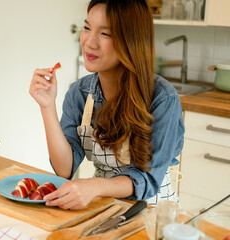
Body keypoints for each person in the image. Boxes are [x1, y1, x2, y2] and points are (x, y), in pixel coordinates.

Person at [29, 0, 184, 210]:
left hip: (153, 210)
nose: (89, 42)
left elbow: (148, 180)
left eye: (105, 33)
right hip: (103, 205)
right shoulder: (80, 93)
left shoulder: (163, 98)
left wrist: (94, 185)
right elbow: (64, 169)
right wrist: (47, 107)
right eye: (87, 28)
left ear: (131, 40)